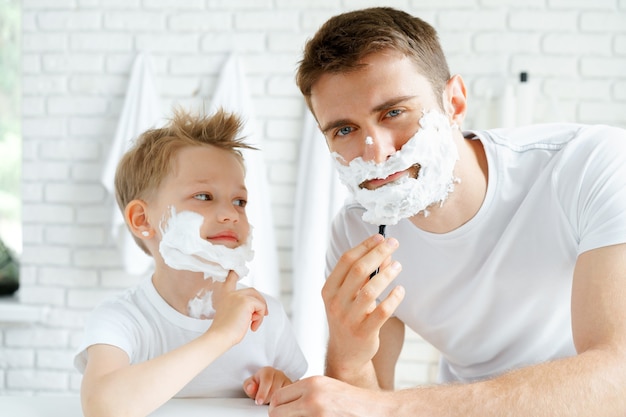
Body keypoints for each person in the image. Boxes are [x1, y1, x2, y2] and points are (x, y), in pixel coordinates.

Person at [269, 6, 626, 417]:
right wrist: (347, 359)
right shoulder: (358, 233)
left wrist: (393, 409)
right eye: (345, 130)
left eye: (394, 112)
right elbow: (359, 403)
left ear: (454, 102)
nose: (378, 151)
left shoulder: (590, 165)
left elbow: (616, 377)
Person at [74, 108, 307, 417]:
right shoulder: (122, 319)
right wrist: (220, 335)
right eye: (204, 196)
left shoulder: (267, 317)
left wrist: (279, 386)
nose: (231, 214)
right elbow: (102, 407)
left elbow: (298, 400)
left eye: (240, 201)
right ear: (142, 220)